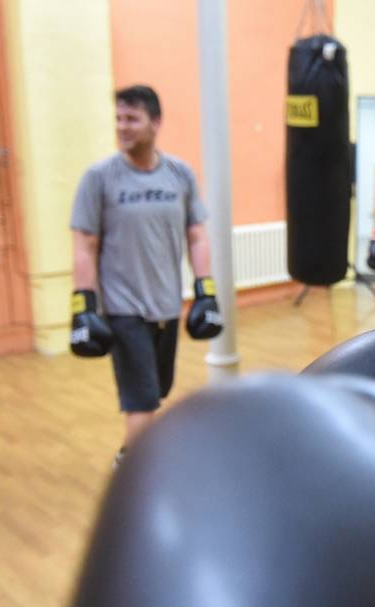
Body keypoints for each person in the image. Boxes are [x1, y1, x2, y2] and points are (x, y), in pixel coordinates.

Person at [69, 85, 221, 465]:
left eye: (132, 119)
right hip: (123, 309)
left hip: (166, 305)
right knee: (142, 401)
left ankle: (129, 457)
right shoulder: (99, 178)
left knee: (158, 390)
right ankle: (136, 474)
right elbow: (84, 244)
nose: (122, 127)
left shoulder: (179, 174)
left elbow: (197, 235)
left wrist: (206, 292)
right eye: (118, 119)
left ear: (156, 122)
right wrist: (83, 306)